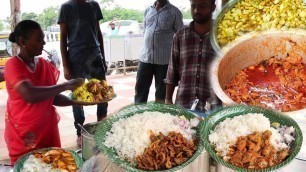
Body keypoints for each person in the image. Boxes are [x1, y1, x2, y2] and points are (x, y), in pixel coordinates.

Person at [4, 20, 84, 165]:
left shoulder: (44, 65)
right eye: (39, 39)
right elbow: (30, 94)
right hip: (24, 135)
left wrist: (75, 101)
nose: (44, 43)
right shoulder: (13, 65)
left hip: (47, 130)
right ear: (23, 41)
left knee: (53, 164)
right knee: (29, 166)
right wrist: (66, 85)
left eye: (43, 39)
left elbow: (51, 97)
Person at [58, 0, 108, 147]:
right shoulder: (66, 7)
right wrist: (66, 65)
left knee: (103, 94)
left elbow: (98, 33)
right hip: (76, 58)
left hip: (95, 57)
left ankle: (101, 126)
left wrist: (103, 58)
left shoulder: (94, 5)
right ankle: (79, 132)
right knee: (77, 98)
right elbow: (62, 37)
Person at [164, 0, 221, 113]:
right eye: (193, 6)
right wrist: (168, 100)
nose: (196, 10)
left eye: (202, 6)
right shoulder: (180, 36)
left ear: (213, 7)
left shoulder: (222, 36)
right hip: (183, 105)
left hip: (214, 107)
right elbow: (171, 72)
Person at [134, 0, 183, 104]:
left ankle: (159, 116)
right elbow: (145, 31)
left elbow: (180, 36)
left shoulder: (175, 12)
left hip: (164, 60)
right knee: (140, 90)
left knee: (161, 94)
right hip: (145, 57)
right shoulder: (148, 10)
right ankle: (137, 115)